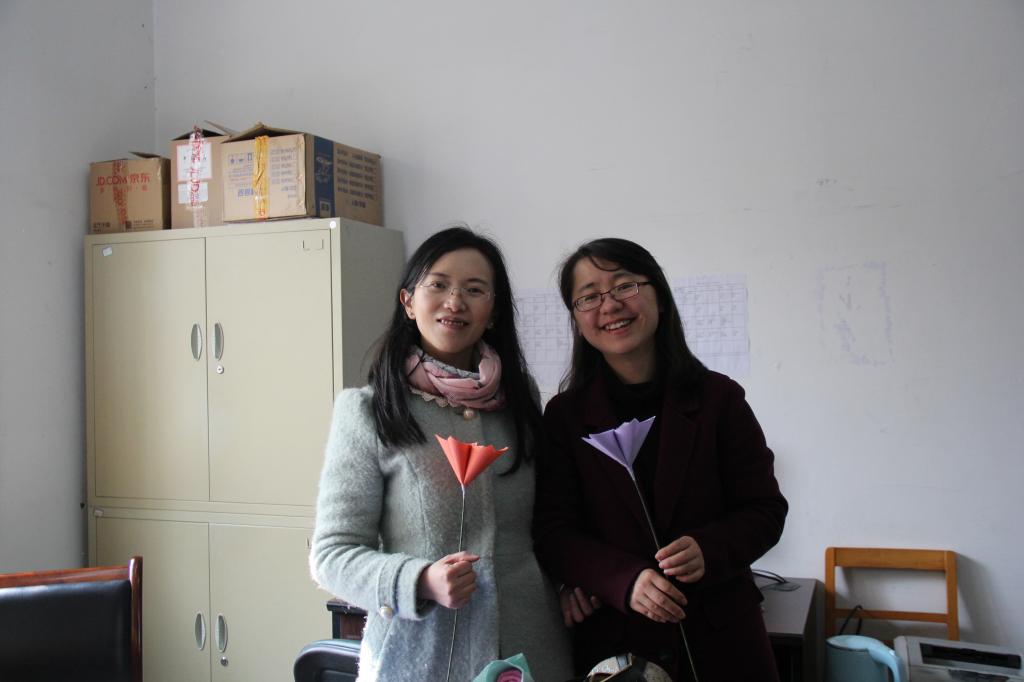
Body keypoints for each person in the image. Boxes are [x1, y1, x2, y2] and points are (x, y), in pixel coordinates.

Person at [309, 226, 573, 682]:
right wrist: (419, 581)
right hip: (421, 657)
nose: (455, 301)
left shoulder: (521, 401)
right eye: (438, 285)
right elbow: (331, 555)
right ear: (408, 301)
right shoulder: (369, 411)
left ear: (493, 311)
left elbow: (547, 523)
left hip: (529, 651)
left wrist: (573, 581)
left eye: (474, 289)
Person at [533, 238, 788, 682]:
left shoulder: (719, 399)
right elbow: (553, 531)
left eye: (624, 286)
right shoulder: (564, 416)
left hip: (721, 640)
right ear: (576, 318)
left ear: (660, 296)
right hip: (616, 644)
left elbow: (765, 510)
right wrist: (622, 579)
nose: (609, 305)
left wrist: (709, 548)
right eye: (589, 296)